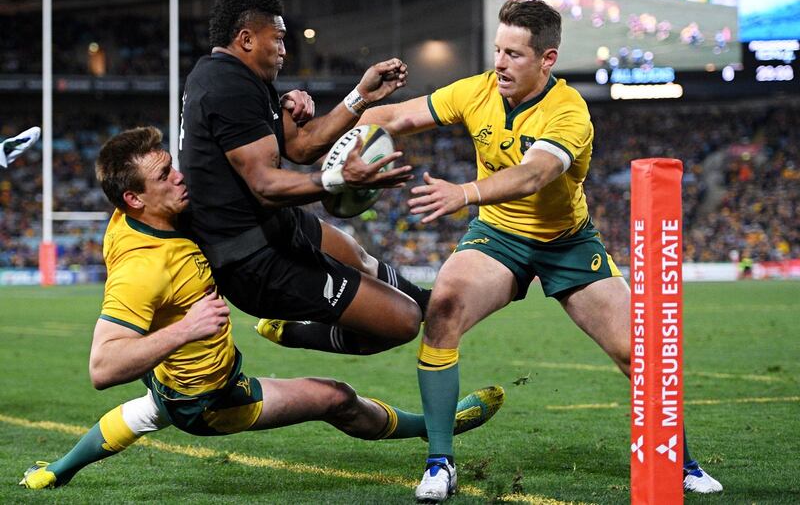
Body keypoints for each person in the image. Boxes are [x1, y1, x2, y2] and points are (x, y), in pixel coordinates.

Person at [361, 0, 723, 501]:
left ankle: (681, 461)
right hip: (498, 238)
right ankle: (440, 463)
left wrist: (462, 193)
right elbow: (397, 116)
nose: (500, 63)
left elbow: (535, 174)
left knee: (635, 352)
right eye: (497, 51)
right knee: (442, 312)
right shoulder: (476, 91)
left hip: (566, 242)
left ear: (547, 59)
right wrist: (343, 124)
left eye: (514, 54)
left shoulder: (570, 112)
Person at [19, 126, 505, 490]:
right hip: (210, 399)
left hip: (170, 384)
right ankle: (439, 426)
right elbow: (102, 368)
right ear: (133, 199)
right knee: (335, 398)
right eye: (165, 175)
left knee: (148, 412)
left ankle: (56, 472)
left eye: (172, 163)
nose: (179, 176)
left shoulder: (147, 215)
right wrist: (187, 328)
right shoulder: (142, 270)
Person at [179, 0, 431, 356]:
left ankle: (437, 305)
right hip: (253, 260)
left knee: (361, 259)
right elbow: (264, 184)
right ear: (246, 39)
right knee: (403, 320)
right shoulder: (226, 86)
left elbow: (302, 146)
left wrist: (360, 96)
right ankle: (295, 331)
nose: (284, 49)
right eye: (278, 39)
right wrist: (339, 178)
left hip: (275, 226)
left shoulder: (239, 77)